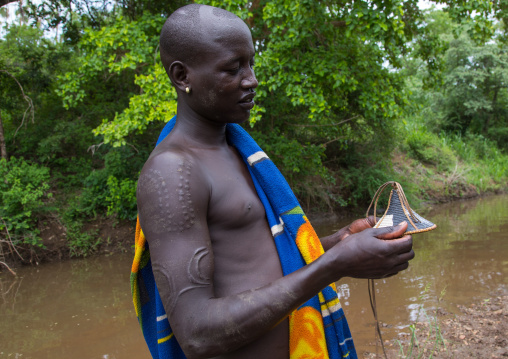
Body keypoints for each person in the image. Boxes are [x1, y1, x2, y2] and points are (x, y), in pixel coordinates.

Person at [134, 4, 414, 359]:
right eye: (232, 69)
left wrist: (337, 244)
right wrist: (336, 264)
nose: (251, 79)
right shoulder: (172, 172)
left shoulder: (236, 150)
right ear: (182, 76)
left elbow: (253, 263)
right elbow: (197, 333)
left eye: (251, 63)